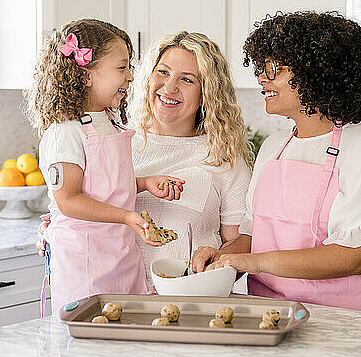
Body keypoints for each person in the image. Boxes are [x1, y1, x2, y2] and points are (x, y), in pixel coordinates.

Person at [195, 11, 361, 315]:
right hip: (270, 317)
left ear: (317, 73)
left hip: (346, 323)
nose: (261, 78)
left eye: (275, 69)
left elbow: (353, 257)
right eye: (262, 68)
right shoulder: (274, 147)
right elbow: (251, 235)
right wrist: (221, 258)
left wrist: (256, 262)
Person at [37, 31, 254, 289]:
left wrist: (218, 260)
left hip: (184, 298)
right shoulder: (115, 139)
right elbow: (76, 202)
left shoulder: (224, 157)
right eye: (162, 72)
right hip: (109, 293)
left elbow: (242, 240)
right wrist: (58, 229)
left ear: (207, 92)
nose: (169, 87)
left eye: (187, 80)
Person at [24, 18, 184, 315]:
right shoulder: (66, 132)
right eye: (122, 67)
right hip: (85, 262)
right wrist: (126, 217)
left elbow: (103, 183)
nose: (131, 77)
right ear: (85, 75)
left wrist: (144, 183)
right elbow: (70, 200)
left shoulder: (109, 121)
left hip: (120, 255)